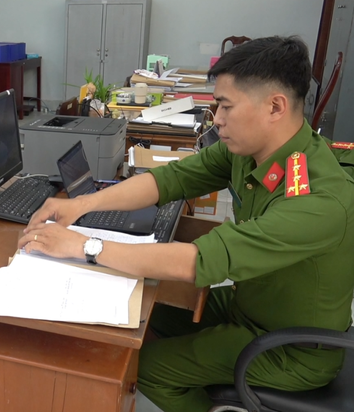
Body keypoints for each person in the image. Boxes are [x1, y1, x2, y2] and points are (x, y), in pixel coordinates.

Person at [18, 36, 354, 412]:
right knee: (142, 306)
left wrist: (84, 246)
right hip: (249, 304)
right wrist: (82, 204)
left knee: (147, 369)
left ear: (275, 106)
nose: (217, 119)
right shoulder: (253, 149)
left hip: (290, 347)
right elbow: (171, 180)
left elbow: (196, 262)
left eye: (226, 106)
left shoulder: (318, 200)